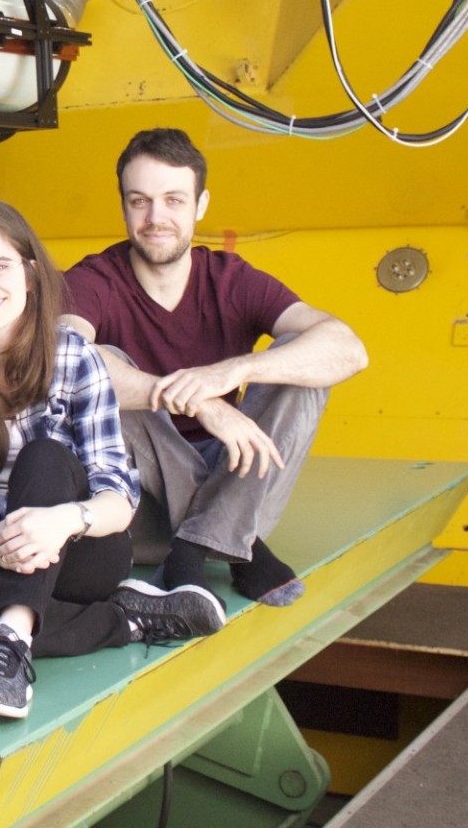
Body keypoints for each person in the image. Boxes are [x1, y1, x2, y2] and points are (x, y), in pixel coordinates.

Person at [0, 200, 226, 721]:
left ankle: (8, 648)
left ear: (30, 273)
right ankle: (125, 619)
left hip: (81, 550)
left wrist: (60, 521)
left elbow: (118, 495)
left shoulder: (74, 355)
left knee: (45, 456)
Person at [62, 128, 368, 610]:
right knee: (101, 367)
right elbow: (57, 361)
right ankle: (237, 551)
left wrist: (228, 374)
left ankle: (194, 548)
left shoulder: (230, 278)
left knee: (301, 363)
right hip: (133, 510)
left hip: (241, 480)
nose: (155, 218)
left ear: (201, 205)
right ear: (123, 205)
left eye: (173, 200)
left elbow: (348, 350)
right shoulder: (94, 278)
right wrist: (199, 402)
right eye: (139, 201)